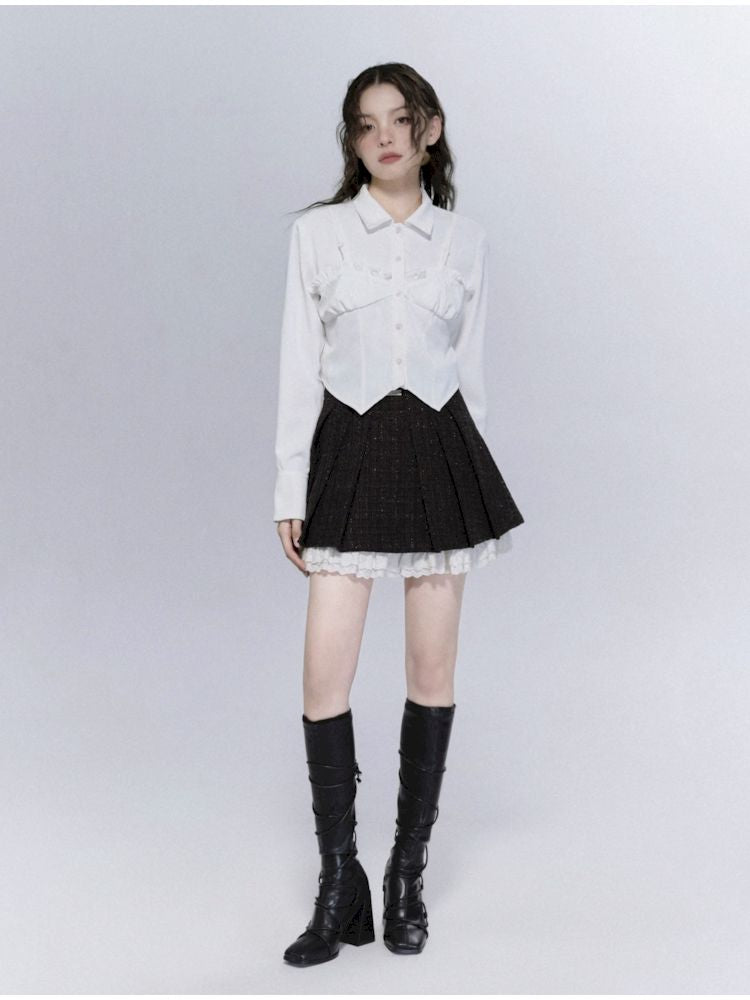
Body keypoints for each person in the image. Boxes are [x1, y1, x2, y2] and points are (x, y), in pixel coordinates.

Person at [272, 63, 525, 966]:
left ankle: (406, 873)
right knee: (322, 679)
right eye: (365, 124)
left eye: (400, 119)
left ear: (430, 128)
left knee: (431, 671)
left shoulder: (466, 241)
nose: (383, 136)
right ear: (352, 141)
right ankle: (338, 881)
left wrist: (472, 485)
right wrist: (289, 487)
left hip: (438, 454)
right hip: (347, 451)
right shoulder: (316, 235)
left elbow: (473, 373)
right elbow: (300, 364)